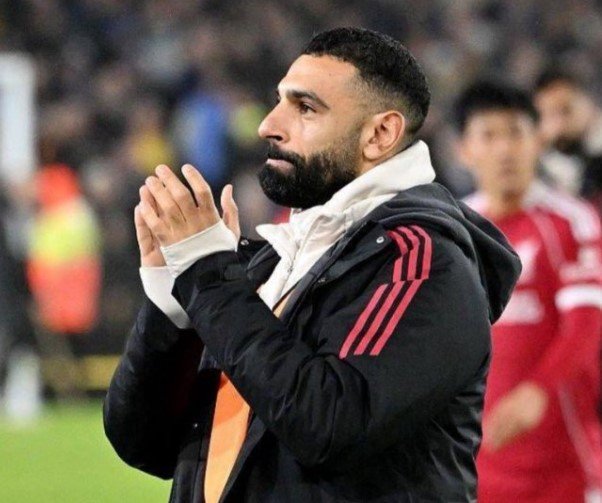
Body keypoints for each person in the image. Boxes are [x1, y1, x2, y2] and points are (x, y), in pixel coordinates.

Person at [104, 28, 520, 502]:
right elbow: (145, 443)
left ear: (380, 134)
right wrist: (173, 299)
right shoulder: (276, 261)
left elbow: (328, 424)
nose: (268, 125)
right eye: (279, 101)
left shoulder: (420, 260)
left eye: (305, 108)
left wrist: (207, 274)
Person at [457, 81, 602, 503]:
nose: (505, 149)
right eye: (489, 135)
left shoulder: (570, 222)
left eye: (516, 133)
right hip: (478, 470)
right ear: (465, 150)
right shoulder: (452, 229)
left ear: (537, 141)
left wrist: (538, 389)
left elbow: (586, 325)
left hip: (564, 468)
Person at [534, 69, 602, 209]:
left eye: (566, 110)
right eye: (550, 114)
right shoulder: (538, 162)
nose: (559, 122)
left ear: (587, 102)